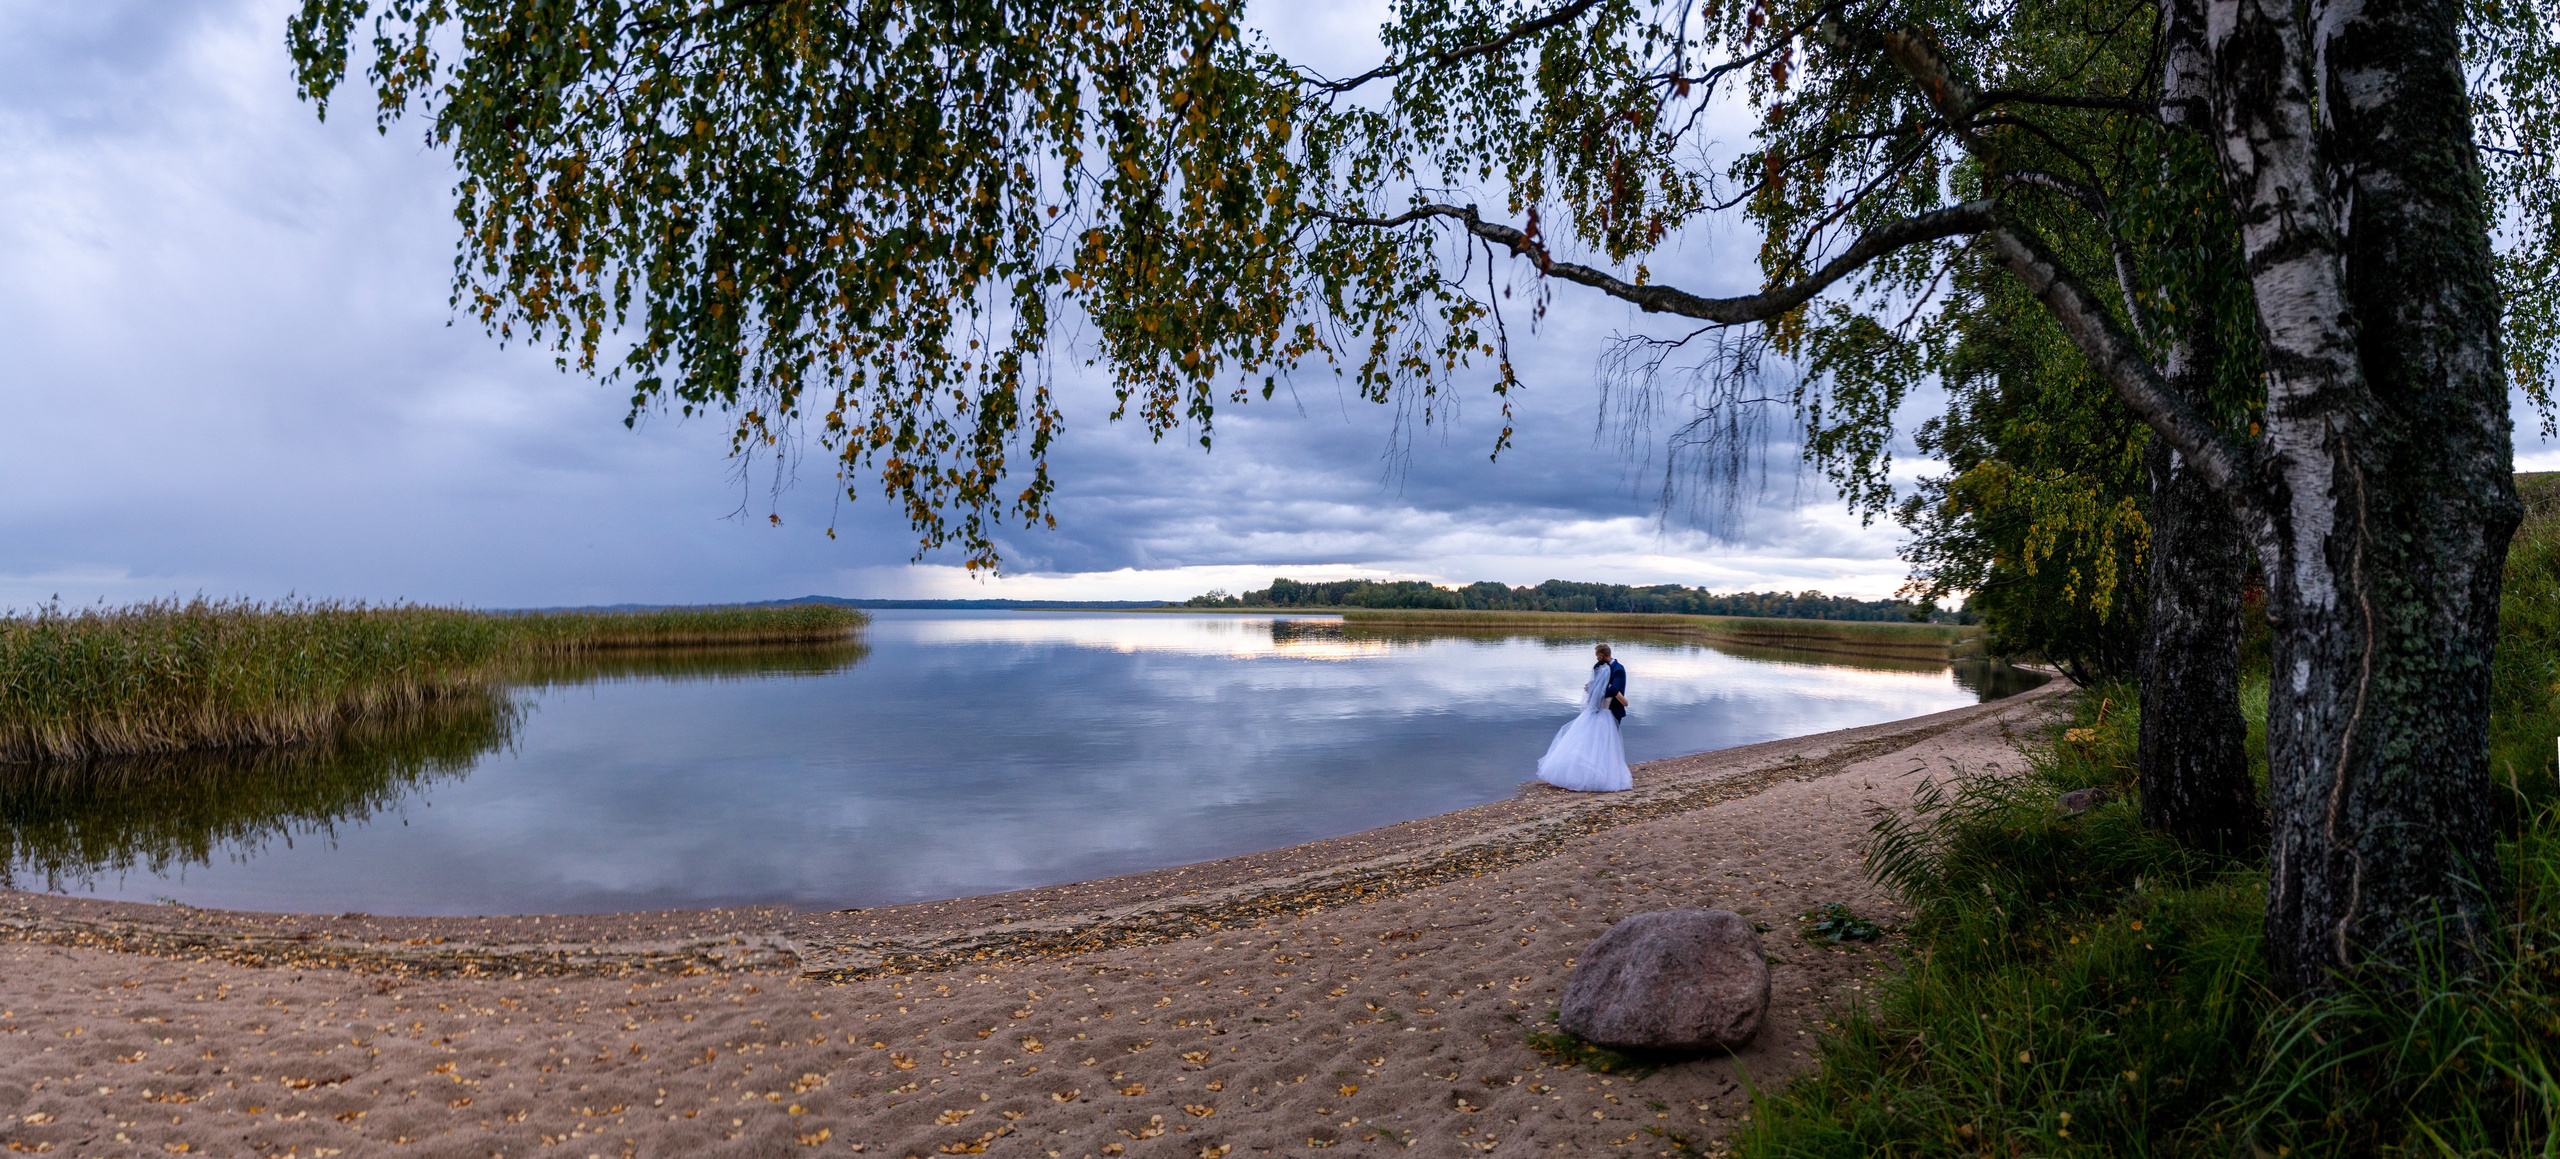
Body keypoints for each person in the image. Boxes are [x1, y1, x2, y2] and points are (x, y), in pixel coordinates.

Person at [1535, 643, 1633, 792]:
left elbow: (1614, 689)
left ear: (1602, 655)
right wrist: (1592, 686)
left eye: (1597, 655)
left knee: (1609, 745)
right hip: (1599, 709)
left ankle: (1606, 773)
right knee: (1596, 743)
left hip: (1612, 710)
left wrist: (1596, 689)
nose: (1596, 657)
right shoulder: (1600, 667)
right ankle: (1595, 773)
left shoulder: (1618, 669)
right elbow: (1601, 684)